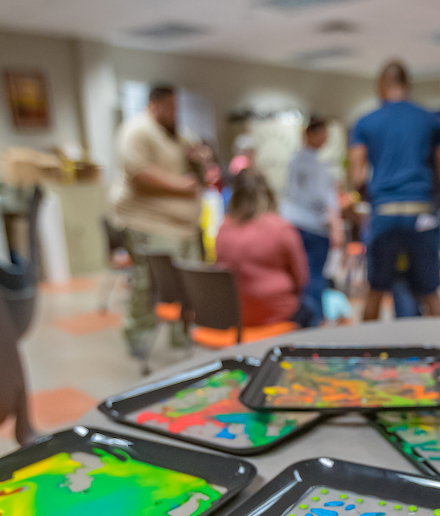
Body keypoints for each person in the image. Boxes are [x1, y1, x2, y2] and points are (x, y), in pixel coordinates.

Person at [349, 59, 440, 321]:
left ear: (381, 86)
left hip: (385, 213)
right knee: (430, 293)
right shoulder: (433, 120)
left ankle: (367, 355)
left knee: (375, 291)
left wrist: (370, 194)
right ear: (407, 84)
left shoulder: (366, 122)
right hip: (421, 212)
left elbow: (357, 175)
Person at [109, 84, 204, 355]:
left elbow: (196, 160)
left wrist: (199, 159)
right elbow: (138, 172)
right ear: (154, 105)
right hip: (150, 224)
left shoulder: (178, 134)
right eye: (170, 107)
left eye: (177, 107)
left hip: (184, 227)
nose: (175, 112)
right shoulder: (137, 130)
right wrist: (181, 185)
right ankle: (138, 333)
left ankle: (182, 333)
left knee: (189, 284)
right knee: (148, 283)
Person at [214, 169, 318, 329]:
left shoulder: (223, 228)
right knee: (313, 307)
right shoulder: (281, 228)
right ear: (268, 192)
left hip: (236, 318)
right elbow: (302, 278)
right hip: (277, 315)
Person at [281, 117, 343, 314]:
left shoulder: (296, 159)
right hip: (313, 227)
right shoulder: (314, 163)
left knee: (301, 275)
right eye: (322, 133)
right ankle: (314, 321)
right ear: (311, 134)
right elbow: (323, 199)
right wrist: (336, 226)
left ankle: (306, 318)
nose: (325, 138)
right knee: (314, 277)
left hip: (296, 223)